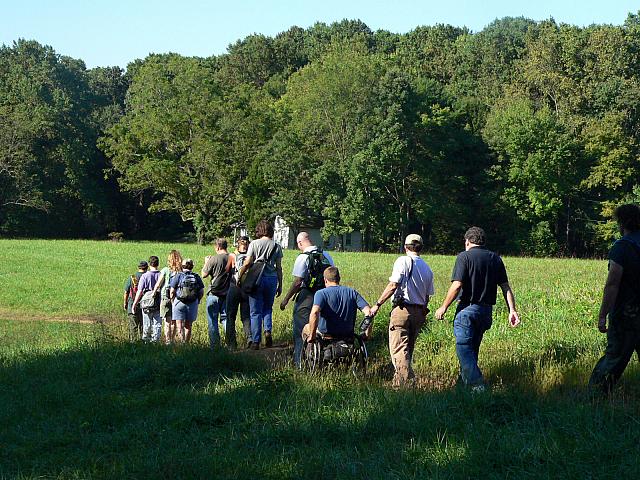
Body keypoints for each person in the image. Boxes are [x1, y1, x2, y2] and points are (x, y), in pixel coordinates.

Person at [435, 227, 520, 390]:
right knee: (472, 350)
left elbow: (457, 285)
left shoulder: (464, 257)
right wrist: (512, 310)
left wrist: (444, 307)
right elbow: (505, 287)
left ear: (467, 241)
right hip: (485, 312)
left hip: (467, 309)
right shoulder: (495, 259)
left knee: (463, 347)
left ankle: (477, 384)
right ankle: (462, 388)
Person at [370, 234, 435, 387]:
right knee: (407, 352)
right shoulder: (427, 268)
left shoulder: (403, 261)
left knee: (399, 350)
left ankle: (409, 385)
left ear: (405, 247)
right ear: (421, 248)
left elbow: (393, 285)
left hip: (402, 310)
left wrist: (378, 304)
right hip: (419, 312)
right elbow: (427, 297)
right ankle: (398, 386)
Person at [589, 204, 640, 394]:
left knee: (615, 357)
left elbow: (612, 284)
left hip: (627, 314)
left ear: (622, 222)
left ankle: (595, 396)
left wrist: (603, 315)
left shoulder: (622, 247)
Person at [280, 231, 334, 367]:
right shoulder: (326, 255)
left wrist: (286, 299)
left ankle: (300, 362)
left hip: (307, 297)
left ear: (300, 243)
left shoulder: (302, 257)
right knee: (321, 330)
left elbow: (298, 281)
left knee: (300, 331)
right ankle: (321, 361)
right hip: (324, 297)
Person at [238, 220, 283, 349]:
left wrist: (239, 276)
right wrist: (280, 284)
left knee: (255, 311)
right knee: (268, 308)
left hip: (256, 279)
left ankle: (256, 341)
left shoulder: (254, 244)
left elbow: (247, 263)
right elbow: (279, 267)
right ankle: (267, 331)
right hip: (271, 279)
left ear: (259, 231)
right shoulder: (277, 246)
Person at [304, 266, 372, 343]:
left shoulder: (321, 293)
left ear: (325, 280)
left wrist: (312, 336)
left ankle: (307, 352)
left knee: (306, 328)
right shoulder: (352, 292)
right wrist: (367, 334)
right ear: (339, 279)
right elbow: (369, 312)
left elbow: (315, 313)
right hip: (347, 335)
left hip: (326, 336)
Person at [202, 238, 233, 349]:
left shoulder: (214, 259)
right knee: (226, 319)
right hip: (228, 293)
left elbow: (204, 274)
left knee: (212, 320)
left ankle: (215, 346)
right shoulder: (232, 258)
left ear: (218, 247)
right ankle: (230, 344)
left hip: (214, 293)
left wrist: (206, 262)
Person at [151, 250, 183, 344]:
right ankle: (172, 340)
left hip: (166, 296)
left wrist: (153, 293)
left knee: (167, 321)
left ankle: (168, 341)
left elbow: (158, 284)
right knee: (173, 321)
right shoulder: (180, 271)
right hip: (177, 296)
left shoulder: (165, 270)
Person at [170, 258, 205, 343]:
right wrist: (197, 300)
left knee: (179, 325)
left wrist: (173, 301)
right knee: (188, 325)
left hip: (179, 302)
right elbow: (201, 291)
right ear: (192, 266)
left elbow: (172, 291)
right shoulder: (196, 276)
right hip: (192, 303)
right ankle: (186, 343)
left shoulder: (178, 275)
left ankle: (181, 342)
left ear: (182, 266)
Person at [227, 236, 252, 347]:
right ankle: (249, 338)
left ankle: (232, 343)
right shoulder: (250, 256)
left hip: (234, 286)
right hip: (247, 288)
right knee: (246, 316)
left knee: (231, 316)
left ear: (238, 244)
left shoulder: (233, 256)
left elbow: (227, 270)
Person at [132, 255, 162, 342]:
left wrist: (134, 303)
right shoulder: (161, 275)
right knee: (157, 323)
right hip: (158, 302)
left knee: (147, 323)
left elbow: (140, 291)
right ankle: (156, 341)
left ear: (149, 264)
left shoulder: (145, 276)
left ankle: (146, 341)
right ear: (158, 264)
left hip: (147, 303)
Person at [123, 260, 148, 341]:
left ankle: (132, 342)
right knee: (143, 326)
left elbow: (126, 292)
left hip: (132, 304)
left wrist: (125, 303)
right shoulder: (148, 276)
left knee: (133, 326)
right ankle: (143, 342)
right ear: (146, 268)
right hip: (145, 305)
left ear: (138, 267)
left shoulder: (132, 278)